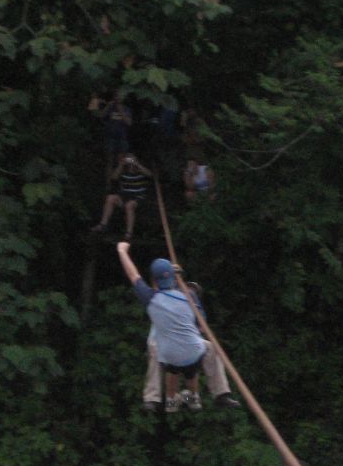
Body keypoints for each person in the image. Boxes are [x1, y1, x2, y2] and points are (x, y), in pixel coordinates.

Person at [116, 242, 205, 411]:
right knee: (178, 374)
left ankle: (179, 399)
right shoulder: (180, 298)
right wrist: (175, 273)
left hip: (174, 345)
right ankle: (174, 398)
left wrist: (121, 251)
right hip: (174, 344)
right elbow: (168, 290)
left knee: (179, 378)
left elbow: (137, 277)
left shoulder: (168, 298)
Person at [141, 281, 241, 411]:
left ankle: (220, 394)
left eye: (193, 292)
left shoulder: (192, 310)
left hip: (186, 350)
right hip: (166, 347)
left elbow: (201, 327)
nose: (189, 292)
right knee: (158, 353)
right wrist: (171, 271)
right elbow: (156, 288)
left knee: (209, 349)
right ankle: (153, 399)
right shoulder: (166, 301)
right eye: (187, 288)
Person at [91, 152, 152, 240]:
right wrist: (121, 164)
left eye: (131, 159)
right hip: (124, 196)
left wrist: (137, 164)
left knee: (129, 205)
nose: (130, 161)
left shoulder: (140, 171)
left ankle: (129, 233)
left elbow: (149, 174)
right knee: (110, 198)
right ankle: (103, 224)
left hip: (138, 198)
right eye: (128, 159)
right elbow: (113, 177)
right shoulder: (123, 171)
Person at [89, 88, 132, 166]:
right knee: (109, 162)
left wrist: (121, 110)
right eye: (116, 95)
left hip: (122, 138)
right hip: (110, 137)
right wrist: (107, 106)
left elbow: (129, 123)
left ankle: (117, 177)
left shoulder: (127, 109)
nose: (118, 97)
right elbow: (100, 115)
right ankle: (108, 178)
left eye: (120, 96)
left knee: (121, 162)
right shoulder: (110, 107)